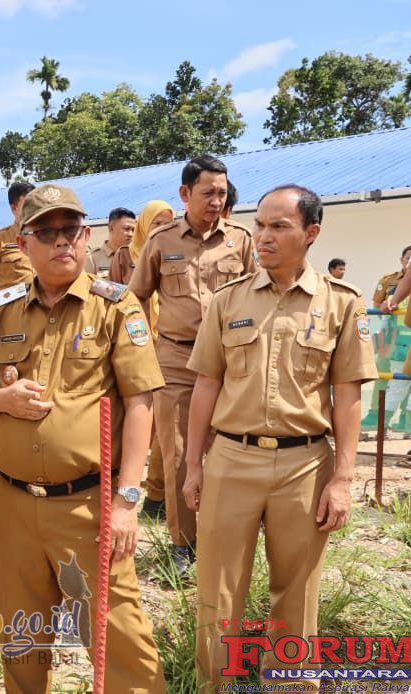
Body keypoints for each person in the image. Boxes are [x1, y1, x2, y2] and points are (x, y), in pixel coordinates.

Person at [0, 184, 166, 694]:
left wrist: (126, 499)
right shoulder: (2, 310)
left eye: (70, 230)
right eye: (47, 232)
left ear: (87, 236)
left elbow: (142, 402)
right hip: (13, 505)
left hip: (87, 506)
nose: (61, 242)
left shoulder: (116, 307)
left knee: (118, 641)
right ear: (23, 242)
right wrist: (1, 401)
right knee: (22, 641)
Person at [183, 184, 376, 692]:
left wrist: (343, 477)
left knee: (297, 594)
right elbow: (206, 383)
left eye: (279, 227)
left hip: (305, 466)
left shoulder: (342, 304)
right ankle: (214, 686)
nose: (263, 237)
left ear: (311, 233)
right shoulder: (228, 300)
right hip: (231, 458)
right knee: (218, 594)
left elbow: (348, 394)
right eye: (260, 225)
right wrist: (193, 465)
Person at [128, 154, 256, 577]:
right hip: (177, 361)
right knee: (182, 454)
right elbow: (135, 299)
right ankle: (183, 545)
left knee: (231, 450)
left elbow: (261, 293)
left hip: (232, 362)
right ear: (185, 194)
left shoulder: (241, 240)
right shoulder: (162, 241)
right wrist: (144, 345)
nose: (216, 200)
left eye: (222, 192)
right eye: (207, 192)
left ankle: (224, 538)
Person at [109, 200, 175, 521]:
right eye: (156, 222)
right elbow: (115, 300)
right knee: (135, 421)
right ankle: (124, 486)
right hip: (134, 345)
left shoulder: (173, 254)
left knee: (165, 425)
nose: (162, 228)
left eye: (167, 222)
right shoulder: (124, 257)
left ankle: (156, 494)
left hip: (167, 347)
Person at [362, 245, 411, 430]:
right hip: (396, 342)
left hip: (403, 341)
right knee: (395, 382)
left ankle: (407, 422)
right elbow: (381, 306)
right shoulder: (390, 279)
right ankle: (383, 419)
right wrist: (392, 302)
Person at [85, 207, 136, 278]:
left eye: (133, 230)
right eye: (126, 229)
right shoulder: (92, 259)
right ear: (111, 228)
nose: (131, 234)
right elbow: (85, 287)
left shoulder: (136, 257)